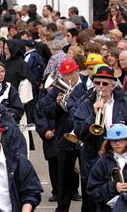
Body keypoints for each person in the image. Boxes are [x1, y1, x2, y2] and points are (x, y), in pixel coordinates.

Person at [74, 65, 127, 212]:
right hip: (93, 159)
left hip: (120, 157)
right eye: (97, 83)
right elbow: (79, 133)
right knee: (91, 204)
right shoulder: (86, 103)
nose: (100, 87)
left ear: (112, 85)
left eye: (105, 83)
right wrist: (93, 114)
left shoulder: (123, 103)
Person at [39, 59, 83, 211]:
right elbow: (46, 111)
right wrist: (57, 105)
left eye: (71, 73)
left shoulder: (86, 87)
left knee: (86, 176)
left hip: (84, 138)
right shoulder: (57, 90)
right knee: (63, 178)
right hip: (65, 138)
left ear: (78, 71)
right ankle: (62, 207)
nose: (69, 77)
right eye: (65, 74)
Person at [87, 124, 127, 212]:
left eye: (121, 140)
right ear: (108, 142)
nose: (117, 143)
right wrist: (113, 187)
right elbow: (92, 192)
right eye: (114, 140)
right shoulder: (101, 163)